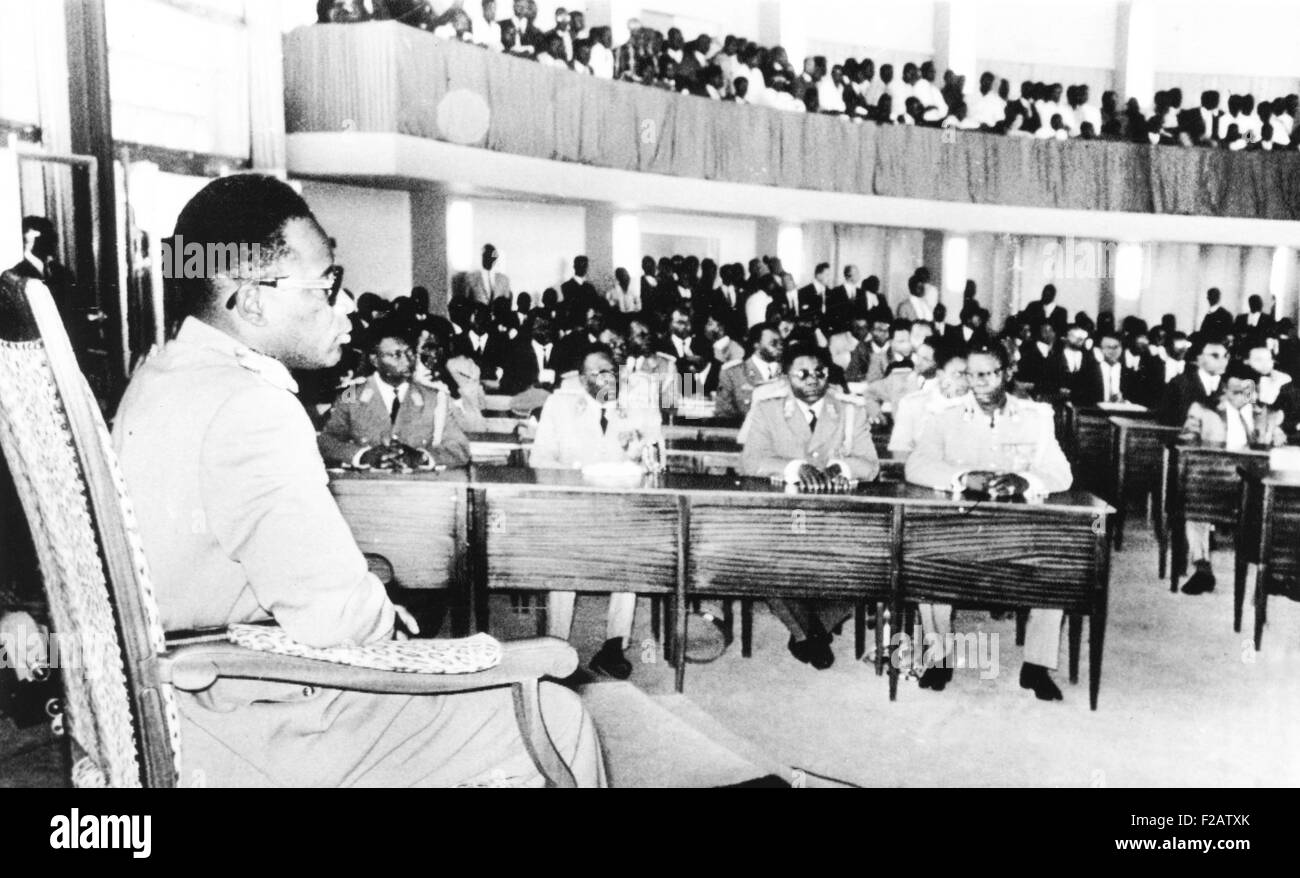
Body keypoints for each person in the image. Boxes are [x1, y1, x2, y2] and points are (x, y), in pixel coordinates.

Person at [111, 174, 603, 786]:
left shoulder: (159, 376)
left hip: (184, 697)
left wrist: (357, 582)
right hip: (254, 713)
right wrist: (380, 611)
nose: (344, 307)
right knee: (556, 712)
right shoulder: (251, 408)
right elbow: (338, 623)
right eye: (326, 286)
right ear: (255, 299)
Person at [905, 344, 1073, 700]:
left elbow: (1061, 473)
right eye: (970, 374)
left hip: (1018, 528)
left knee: (1057, 566)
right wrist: (963, 478)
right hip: (961, 526)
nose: (978, 382)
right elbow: (916, 466)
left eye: (988, 373)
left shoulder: (1036, 416)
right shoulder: (944, 416)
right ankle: (938, 656)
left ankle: (1037, 665)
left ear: (1007, 373)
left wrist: (1024, 481)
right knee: (925, 559)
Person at [739, 344, 880, 670]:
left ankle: (807, 630)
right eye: (801, 373)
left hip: (836, 518)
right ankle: (813, 633)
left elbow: (870, 465)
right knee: (763, 562)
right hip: (784, 517)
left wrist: (840, 468)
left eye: (820, 372)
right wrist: (793, 467)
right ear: (785, 376)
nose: (812, 380)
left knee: (868, 566)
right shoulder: (768, 410)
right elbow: (750, 461)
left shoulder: (850, 410)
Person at [530, 345, 663, 677]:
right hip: (572, 505)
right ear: (580, 378)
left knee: (627, 559)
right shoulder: (559, 404)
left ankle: (615, 644)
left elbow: (657, 462)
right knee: (564, 562)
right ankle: (556, 644)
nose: (609, 378)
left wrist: (639, 456)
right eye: (599, 373)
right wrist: (579, 473)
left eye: (612, 371)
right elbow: (540, 460)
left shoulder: (640, 406)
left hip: (621, 507)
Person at [1177, 362, 1288, 595]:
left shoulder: (1268, 414)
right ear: (1223, 390)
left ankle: (1274, 573)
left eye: (1245, 392)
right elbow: (1186, 442)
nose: (1239, 397)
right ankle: (1202, 567)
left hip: (1253, 487)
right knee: (1195, 502)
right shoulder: (1203, 410)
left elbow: (1277, 445)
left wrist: (1278, 437)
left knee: (1282, 506)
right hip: (1212, 482)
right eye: (1233, 391)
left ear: (1254, 391)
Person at [318, 321, 472, 469]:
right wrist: (363, 455)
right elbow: (327, 441)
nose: (407, 360)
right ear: (375, 360)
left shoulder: (433, 398)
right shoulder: (350, 393)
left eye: (409, 352)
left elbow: (460, 449)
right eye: (396, 355)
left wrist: (421, 457)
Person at [714, 321, 784, 421]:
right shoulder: (733, 373)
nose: (780, 347)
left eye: (781, 343)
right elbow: (723, 413)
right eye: (773, 343)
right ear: (756, 345)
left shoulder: (788, 373)